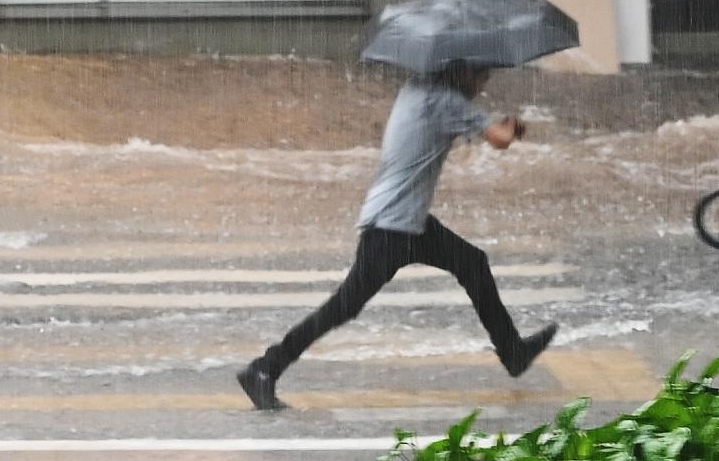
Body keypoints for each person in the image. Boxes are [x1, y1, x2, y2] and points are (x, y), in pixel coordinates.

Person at [238, 63, 557, 411]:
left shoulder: (418, 88)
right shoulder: (446, 102)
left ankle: (513, 353)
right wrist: (510, 128)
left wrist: (500, 127)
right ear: (463, 73)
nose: (482, 86)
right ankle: (265, 369)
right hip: (392, 228)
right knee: (343, 306)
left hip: (410, 223)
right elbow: (499, 140)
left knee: (472, 262)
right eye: (482, 78)